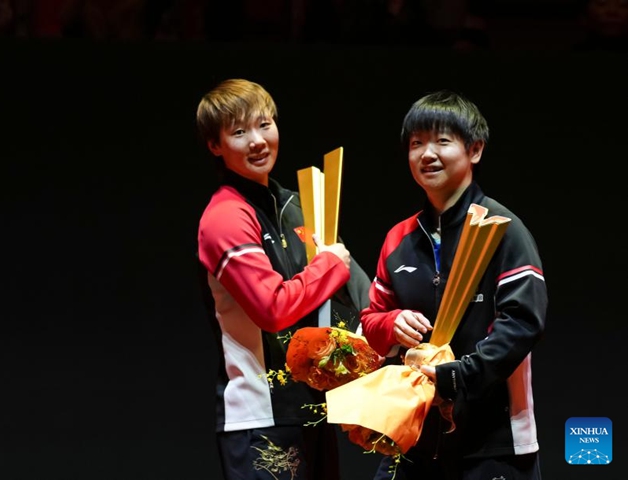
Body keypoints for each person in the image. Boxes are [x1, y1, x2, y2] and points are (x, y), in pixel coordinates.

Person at [360, 90, 547, 480]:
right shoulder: (399, 238)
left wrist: (457, 376)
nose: (427, 153)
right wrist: (391, 322)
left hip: (493, 442)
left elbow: (522, 323)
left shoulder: (503, 230)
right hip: (410, 436)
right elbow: (370, 322)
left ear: (474, 150)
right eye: (416, 143)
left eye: (442, 141)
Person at [195, 78, 372, 480]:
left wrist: (396, 324)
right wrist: (329, 265)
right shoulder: (225, 217)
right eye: (239, 132)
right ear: (215, 145)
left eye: (264, 124)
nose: (257, 141)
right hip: (260, 417)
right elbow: (272, 309)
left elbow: (360, 294)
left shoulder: (297, 206)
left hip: (314, 412)